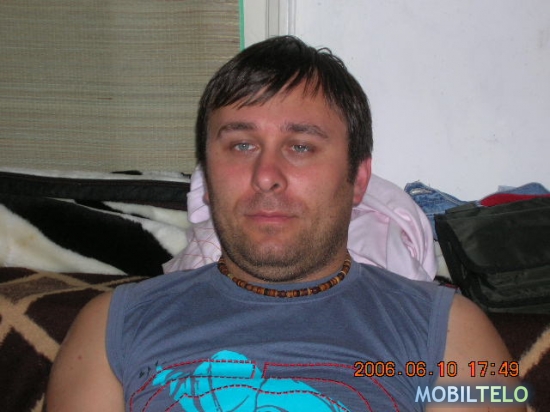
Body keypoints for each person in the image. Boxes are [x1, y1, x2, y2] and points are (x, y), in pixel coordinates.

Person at [46, 36, 525, 411]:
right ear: (206, 180)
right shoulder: (111, 326)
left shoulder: (449, 333)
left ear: (358, 180)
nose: (266, 175)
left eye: (300, 146)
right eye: (241, 145)